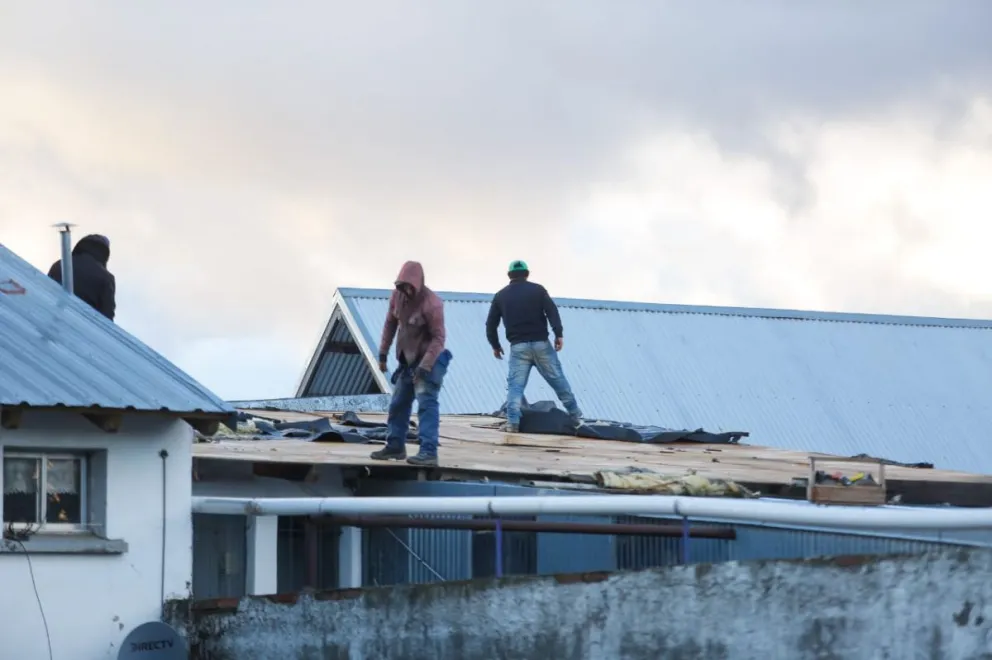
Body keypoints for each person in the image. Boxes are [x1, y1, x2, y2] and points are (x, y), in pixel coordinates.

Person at [370, 260, 452, 467]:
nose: (406, 291)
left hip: (430, 360)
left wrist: (425, 366)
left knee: (426, 404)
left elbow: (439, 338)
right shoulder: (396, 298)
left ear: (417, 283)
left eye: (409, 286)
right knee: (398, 403)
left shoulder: (432, 304)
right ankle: (395, 446)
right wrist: (382, 354)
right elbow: (390, 324)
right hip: (407, 360)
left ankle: (428, 452)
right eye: (402, 286)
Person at [486, 260, 582, 433]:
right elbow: (552, 312)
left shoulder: (501, 296)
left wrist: (495, 345)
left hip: (518, 348)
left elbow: (491, 324)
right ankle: (576, 417)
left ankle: (512, 423)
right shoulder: (538, 290)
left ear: (509, 276)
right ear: (527, 273)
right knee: (559, 382)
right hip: (541, 345)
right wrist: (558, 333)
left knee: (515, 387)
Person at [48, 234, 116, 321]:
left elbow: (46, 291)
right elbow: (107, 318)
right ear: (105, 254)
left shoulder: (60, 264)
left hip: (53, 320)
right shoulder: (107, 278)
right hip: (81, 328)